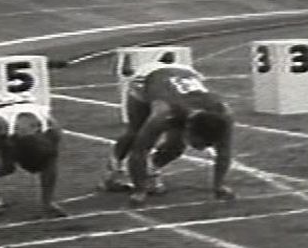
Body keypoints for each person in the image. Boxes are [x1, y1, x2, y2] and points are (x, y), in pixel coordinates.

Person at [100, 63, 235, 205]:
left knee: (176, 146)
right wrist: (139, 192)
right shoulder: (163, 114)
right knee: (135, 133)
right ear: (189, 128)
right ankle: (113, 171)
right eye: (198, 143)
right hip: (147, 78)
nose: (199, 149)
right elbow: (139, 151)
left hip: (180, 81)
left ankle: (152, 169)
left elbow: (224, 152)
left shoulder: (223, 114)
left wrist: (219, 186)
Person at [0, 92, 63, 222]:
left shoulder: (52, 131)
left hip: (6, 110)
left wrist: (48, 203)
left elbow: (50, 166)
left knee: (7, 168)